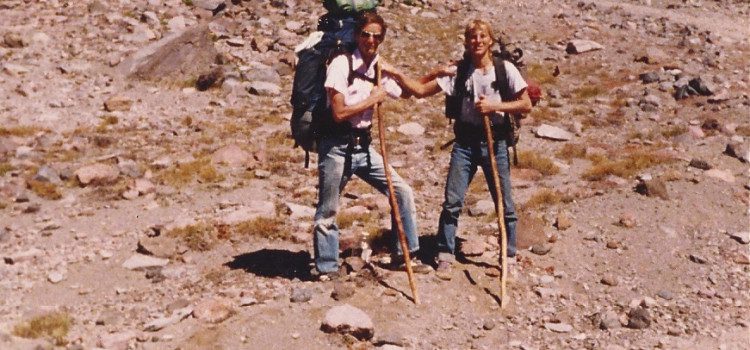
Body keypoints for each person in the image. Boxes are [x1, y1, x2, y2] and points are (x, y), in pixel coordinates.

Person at [381, 19, 532, 278]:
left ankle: (509, 254)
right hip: (465, 144)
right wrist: (393, 72)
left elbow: (526, 104)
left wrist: (495, 107)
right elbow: (418, 91)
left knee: (504, 202)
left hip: (496, 142)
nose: (478, 41)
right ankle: (445, 252)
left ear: (490, 41)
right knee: (452, 201)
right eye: (473, 37)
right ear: (466, 42)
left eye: (483, 36)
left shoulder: (504, 69)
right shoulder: (458, 72)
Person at [313, 11, 425, 279]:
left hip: (364, 147)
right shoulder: (341, 64)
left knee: (402, 192)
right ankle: (327, 267)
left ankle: (405, 253)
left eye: (376, 36)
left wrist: (442, 77)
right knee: (328, 208)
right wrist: (372, 100)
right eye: (366, 34)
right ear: (356, 35)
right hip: (337, 146)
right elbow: (339, 112)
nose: (370, 40)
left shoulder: (377, 68)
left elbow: (413, 91)